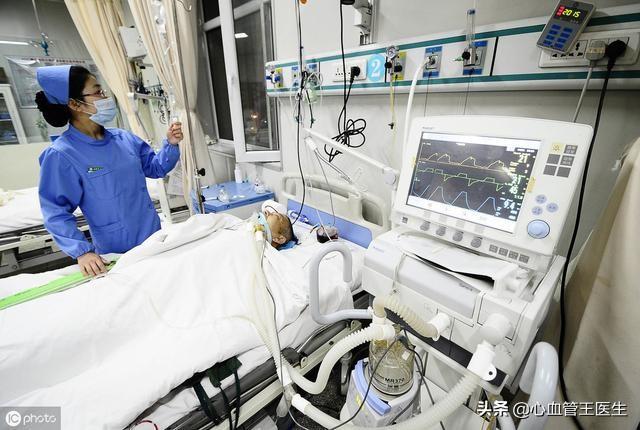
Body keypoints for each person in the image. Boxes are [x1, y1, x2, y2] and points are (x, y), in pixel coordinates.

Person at [35, 65, 182, 277]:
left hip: (154, 238)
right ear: (75, 104)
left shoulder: (124, 139)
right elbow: (55, 211)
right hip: (116, 252)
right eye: (98, 92)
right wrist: (82, 252)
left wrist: (171, 144)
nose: (105, 97)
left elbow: (156, 168)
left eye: (102, 91)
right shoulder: (62, 155)